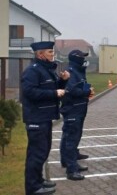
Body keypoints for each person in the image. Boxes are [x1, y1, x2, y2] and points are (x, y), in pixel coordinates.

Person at [21, 41, 69, 195]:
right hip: (36, 118)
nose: (52, 54)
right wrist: (54, 94)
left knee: (43, 151)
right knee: (36, 154)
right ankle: (32, 188)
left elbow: (53, 87)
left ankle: (38, 180)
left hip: (45, 118)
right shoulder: (33, 71)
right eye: (49, 51)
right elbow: (29, 92)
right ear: (40, 54)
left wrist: (63, 80)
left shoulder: (45, 70)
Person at [59, 50, 95, 181]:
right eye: (81, 57)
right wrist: (86, 91)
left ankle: (67, 160)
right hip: (72, 108)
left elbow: (78, 87)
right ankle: (71, 169)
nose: (83, 59)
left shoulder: (78, 71)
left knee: (70, 136)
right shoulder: (71, 72)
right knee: (71, 139)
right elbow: (71, 90)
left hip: (78, 108)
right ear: (75, 58)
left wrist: (87, 91)